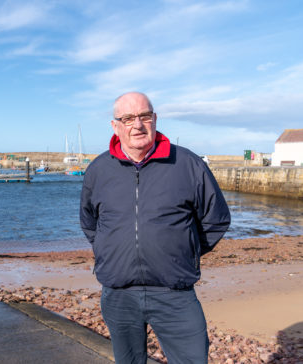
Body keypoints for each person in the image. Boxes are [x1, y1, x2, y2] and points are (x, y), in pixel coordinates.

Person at [80, 92, 231, 364]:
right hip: (119, 292)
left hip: (174, 291)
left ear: (155, 119)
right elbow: (90, 222)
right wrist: (111, 251)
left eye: (144, 116)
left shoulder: (187, 164)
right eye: (127, 118)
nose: (137, 125)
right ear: (115, 126)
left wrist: (185, 251)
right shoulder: (99, 170)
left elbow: (216, 218)